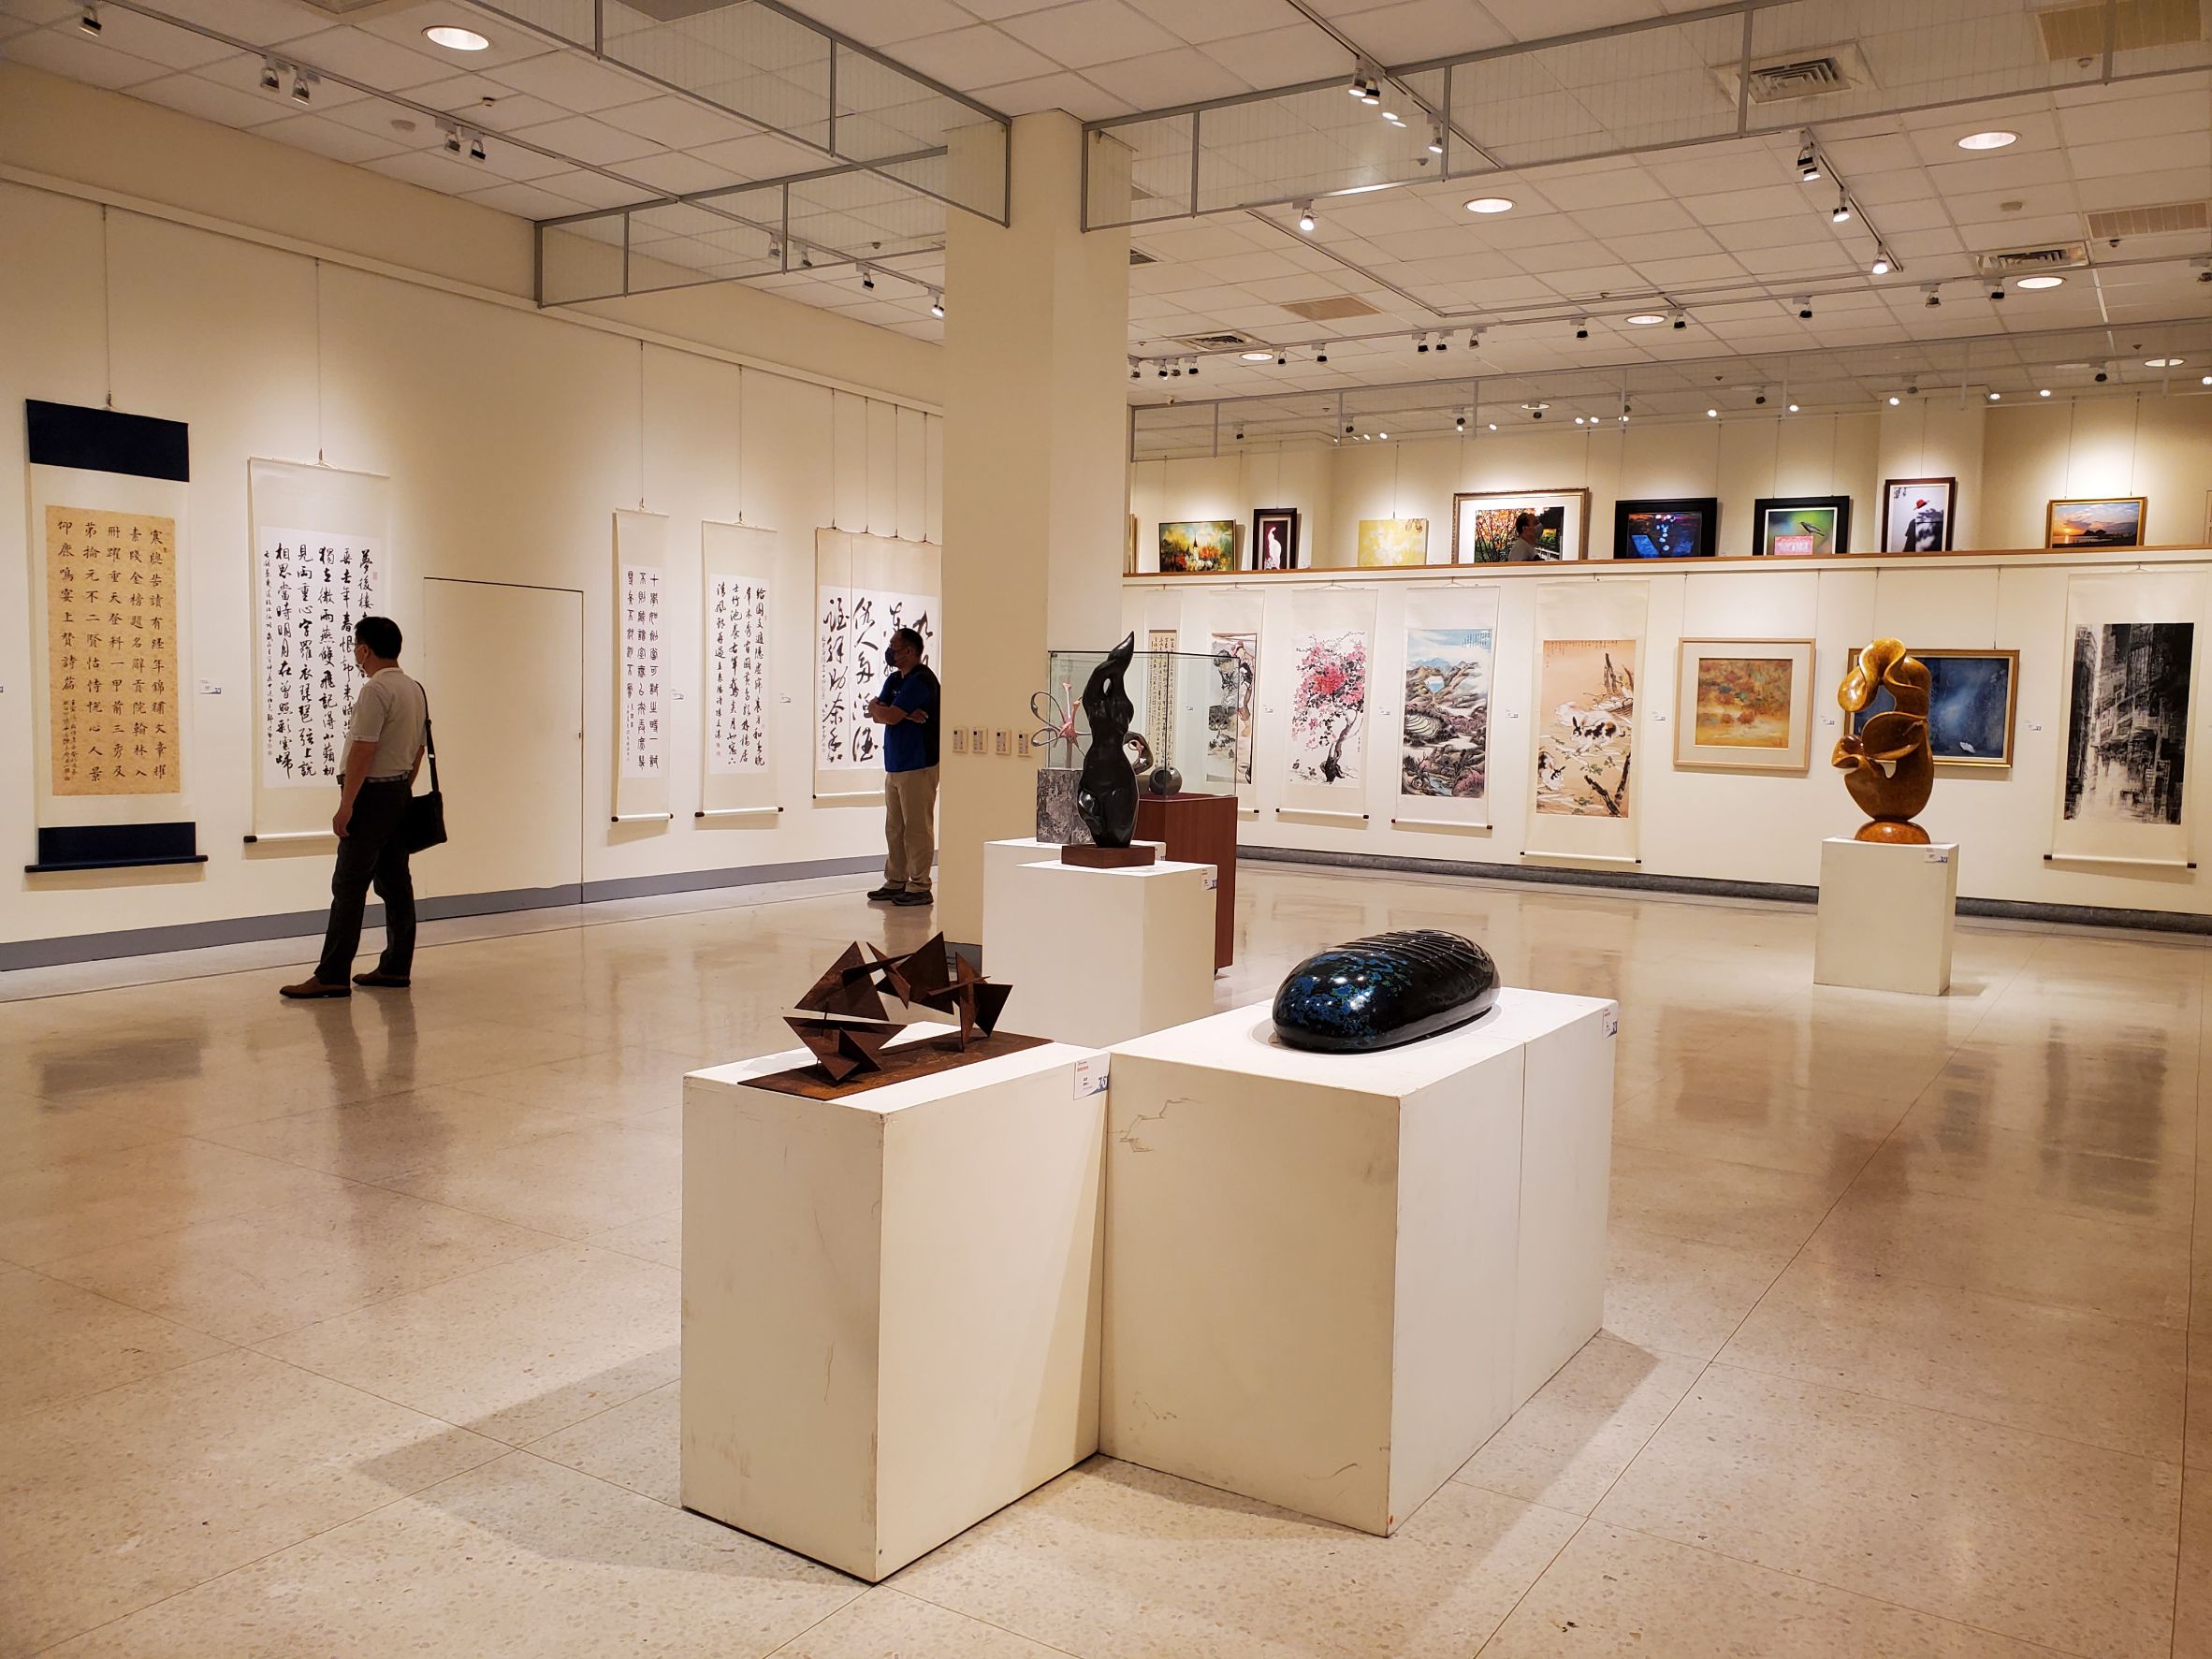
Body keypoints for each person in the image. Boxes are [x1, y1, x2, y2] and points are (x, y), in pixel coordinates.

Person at [281, 616, 428, 998]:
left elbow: (363, 749)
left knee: (348, 885)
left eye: (355, 649)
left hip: (371, 799)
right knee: (396, 885)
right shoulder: (415, 689)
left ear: (364, 650)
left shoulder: (376, 690)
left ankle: (332, 974)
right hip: (398, 794)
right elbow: (419, 749)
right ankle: (396, 967)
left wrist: (347, 804)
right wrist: (402, 789)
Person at [866, 626, 939, 908]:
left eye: (894, 646)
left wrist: (892, 712)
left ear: (909, 651)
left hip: (918, 764)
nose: (890, 651)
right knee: (894, 828)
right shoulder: (895, 679)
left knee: (917, 828)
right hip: (895, 764)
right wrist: (898, 713)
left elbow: (889, 715)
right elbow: (877, 712)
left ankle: (920, 884)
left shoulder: (922, 680)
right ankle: (896, 879)